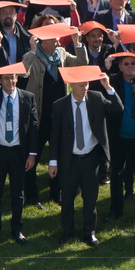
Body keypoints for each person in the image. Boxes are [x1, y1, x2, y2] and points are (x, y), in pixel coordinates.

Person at [45, 69, 114, 246]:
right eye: (81, 84)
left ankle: (89, 232)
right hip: (69, 159)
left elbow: (117, 109)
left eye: (87, 84)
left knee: (90, 198)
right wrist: (53, 162)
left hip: (90, 159)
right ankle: (67, 232)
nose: (85, 87)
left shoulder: (96, 98)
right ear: (71, 85)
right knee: (67, 199)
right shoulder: (60, 105)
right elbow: (54, 135)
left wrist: (109, 88)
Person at [0, 62, 39, 243]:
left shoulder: (27, 97)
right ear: (0, 80)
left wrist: (32, 154)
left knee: (18, 193)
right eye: (6, 78)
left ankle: (17, 229)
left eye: (14, 77)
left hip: (18, 153)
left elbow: (34, 128)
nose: (11, 81)